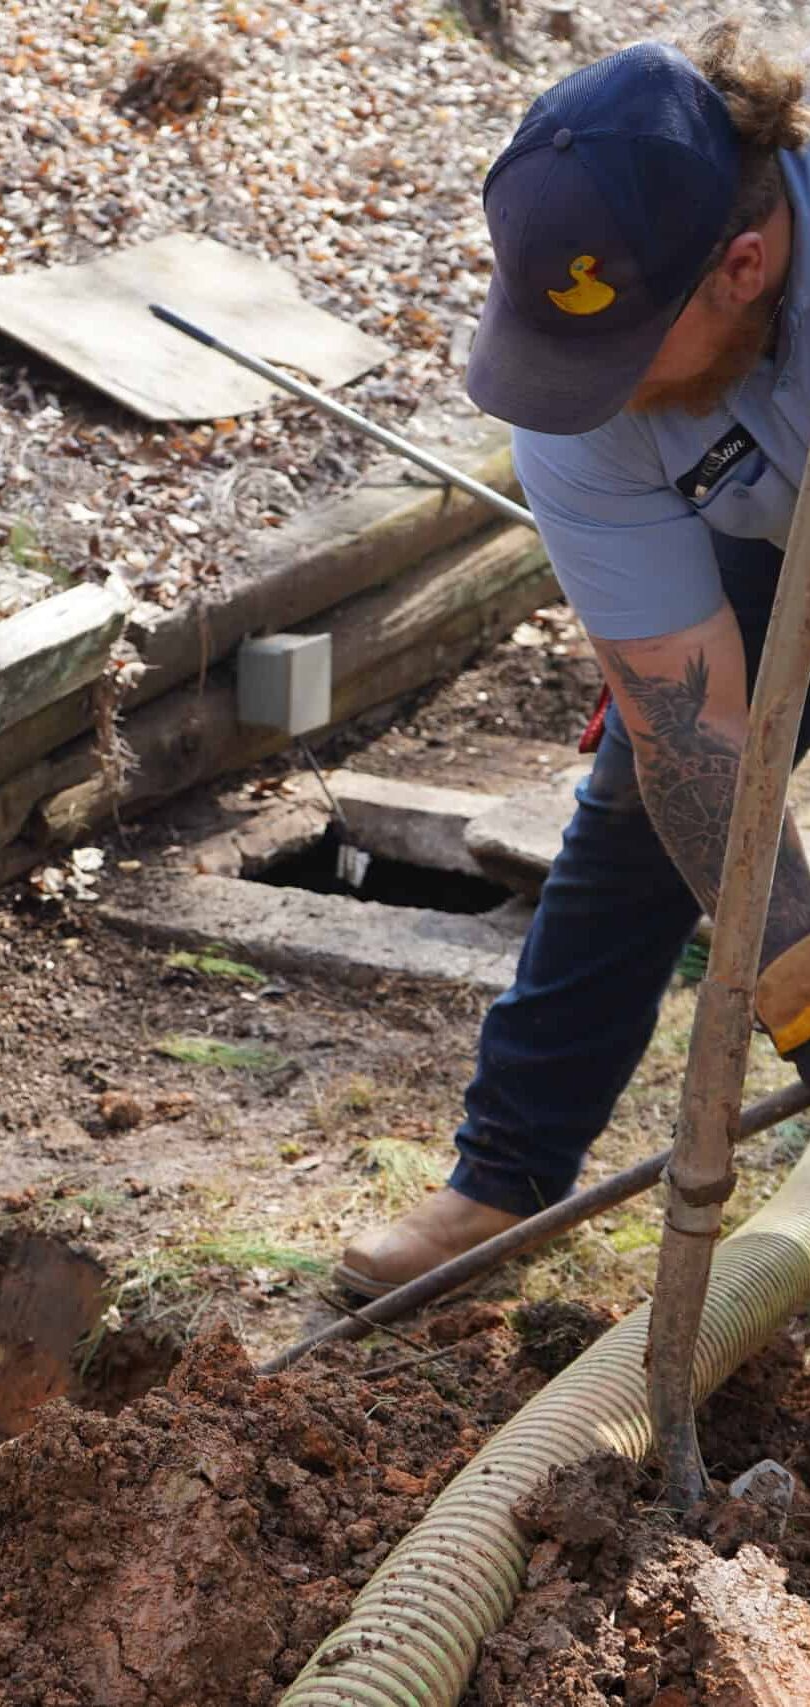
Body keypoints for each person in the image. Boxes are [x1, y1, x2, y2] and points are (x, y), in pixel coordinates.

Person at [339, 20, 810, 1296]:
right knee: (643, 810)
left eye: (616, 351)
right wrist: (805, 993)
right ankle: (505, 1177)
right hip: (760, 536)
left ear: (744, 267)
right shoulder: (576, 411)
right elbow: (695, 742)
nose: (576, 390)